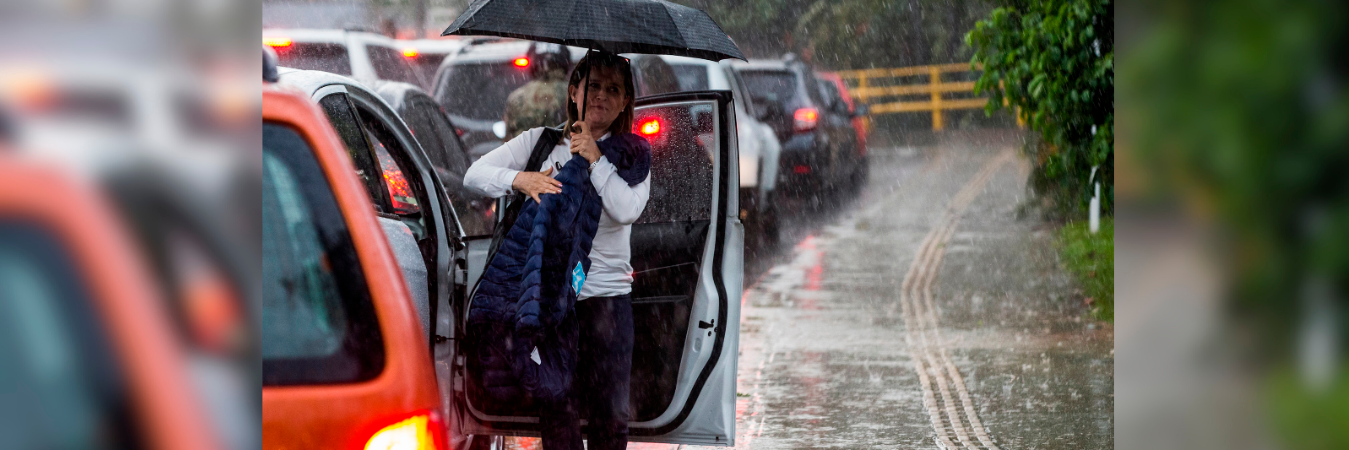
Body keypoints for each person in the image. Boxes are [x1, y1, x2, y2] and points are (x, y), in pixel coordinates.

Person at [464, 51, 650, 450]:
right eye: (593, 86)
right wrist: (522, 178)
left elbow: (626, 209)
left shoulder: (632, 156)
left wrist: (596, 160)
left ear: (624, 102)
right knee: (557, 411)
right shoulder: (541, 142)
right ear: (573, 92)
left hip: (606, 306)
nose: (601, 95)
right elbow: (474, 175)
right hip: (551, 305)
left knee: (610, 419)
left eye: (613, 89)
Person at [503, 43, 572, 141]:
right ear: (565, 63)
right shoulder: (575, 94)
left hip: (526, 154)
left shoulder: (517, 97)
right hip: (566, 154)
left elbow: (508, 139)